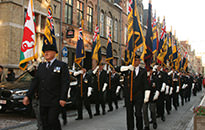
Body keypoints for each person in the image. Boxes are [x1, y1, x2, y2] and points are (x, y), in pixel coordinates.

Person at [23, 42, 69, 130]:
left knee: (52, 120)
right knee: (44, 122)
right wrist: (28, 95)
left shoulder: (61, 65)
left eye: (48, 51)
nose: (46, 53)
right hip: (43, 99)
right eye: (45, 52)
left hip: (55, 99)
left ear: (54, 53)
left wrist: (63, 98)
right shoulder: (41, 66)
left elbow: (65, 83)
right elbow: (35, 81)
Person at [120, 55, 150, 130]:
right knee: (129, 114)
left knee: (138, 113)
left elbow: (145, 83)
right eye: (134, 60)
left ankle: (139, 128)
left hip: (138, 95)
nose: (135, 61)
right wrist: (127, 68)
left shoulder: (143, 71)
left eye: (137, 60)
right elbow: (118, 69)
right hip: (128, 95)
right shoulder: (128, 70)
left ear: (139, 61)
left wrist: (146, 95)